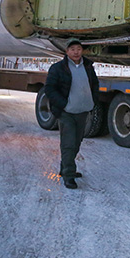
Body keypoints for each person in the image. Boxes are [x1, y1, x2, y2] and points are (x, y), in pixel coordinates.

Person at [44, 38, 100, 189]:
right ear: (67, 51)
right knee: (68, 144)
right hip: (66, 112)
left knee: (76, 142)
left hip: (82, 111)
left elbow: (94, 84)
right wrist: (64, 104)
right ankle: (69, 175)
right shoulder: (58, 68)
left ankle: (65, 168)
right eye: (72, 49)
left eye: (79, 49)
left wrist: (93, 101)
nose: (76, 52)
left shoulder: (88, 66)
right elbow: (49, 88)